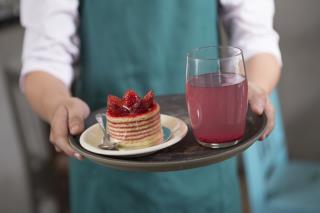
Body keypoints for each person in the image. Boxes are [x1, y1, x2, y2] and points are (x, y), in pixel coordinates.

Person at [20, 0, 282, 212]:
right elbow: (44, 58)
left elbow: (256, 39)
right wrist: (59, 103)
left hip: (206, 166)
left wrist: (255, 87)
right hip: (105, 170)